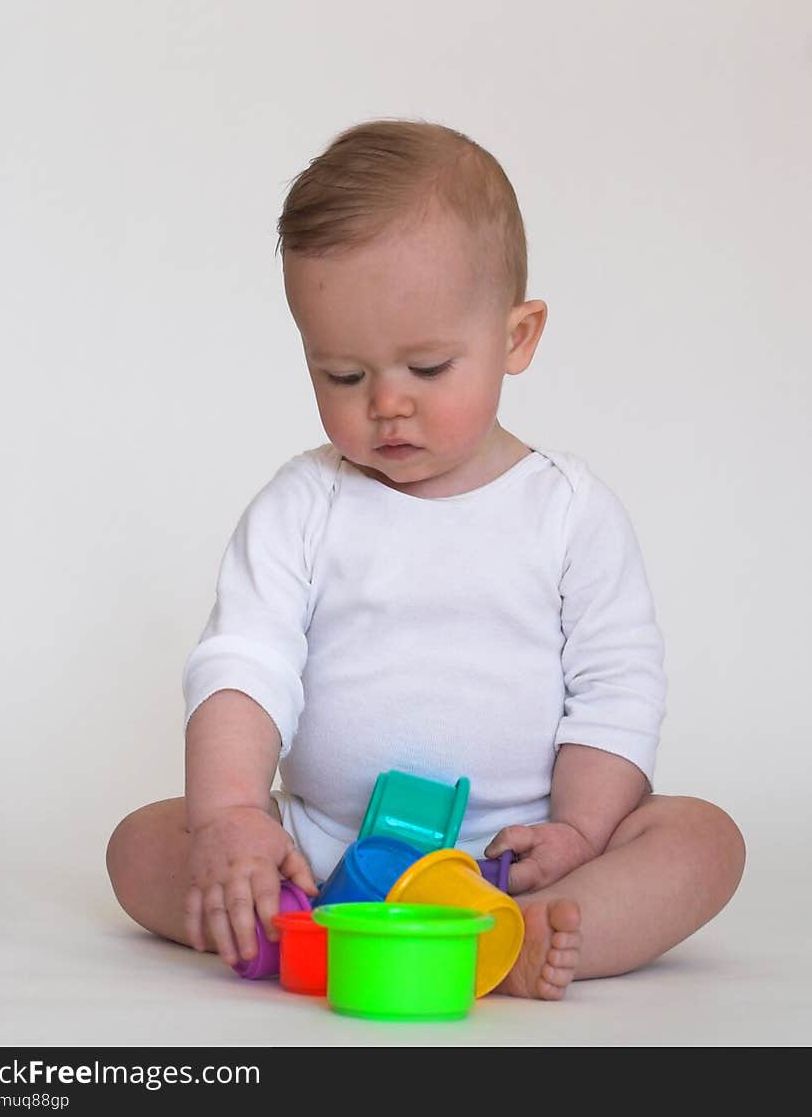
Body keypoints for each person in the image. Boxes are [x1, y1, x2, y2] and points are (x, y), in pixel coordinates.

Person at [106, 118, 745, 1000]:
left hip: (509, 854)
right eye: (342, 375)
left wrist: (581, 832)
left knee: (703, 839)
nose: (388, 405)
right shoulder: (304, 504)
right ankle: (284, 907)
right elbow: (243, 662)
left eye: (429, 366)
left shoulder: (567, 512)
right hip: (321, 844)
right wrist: (234, 818)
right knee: (142, 840)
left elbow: (616, 686)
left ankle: (516, 937)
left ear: (517, 337)